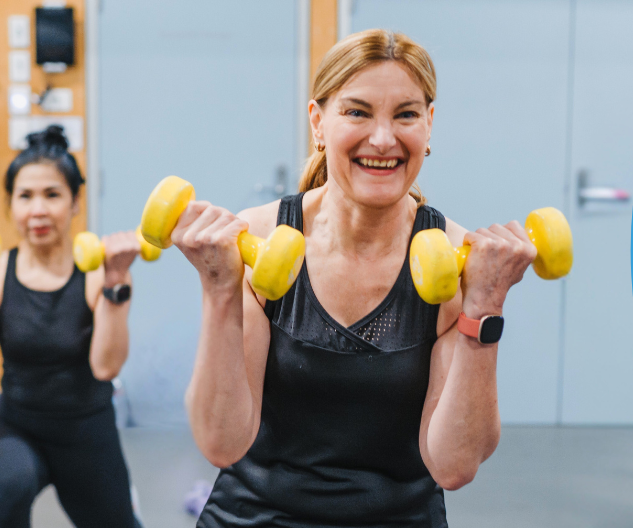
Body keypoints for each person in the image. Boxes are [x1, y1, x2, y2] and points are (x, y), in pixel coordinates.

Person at [175, 29, 538, 527]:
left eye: (406, 114)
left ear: (429, 125)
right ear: (317, 122)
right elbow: (221, 441)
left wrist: (485, 306)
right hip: (255, 516)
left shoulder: (457, 260)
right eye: (357, 111)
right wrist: (219, 289)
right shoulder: (258, 240)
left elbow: (453, 466)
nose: (383, 139)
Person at [0, 125, 142, 528]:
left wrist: (117, 279)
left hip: (87, 431)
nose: (38, 210)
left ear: (76, 202)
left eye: (52, 195)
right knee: (11, 486)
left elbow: (106, 368)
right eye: (25, 196)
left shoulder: (102, 274)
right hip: (17, 428)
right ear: (10, 204)